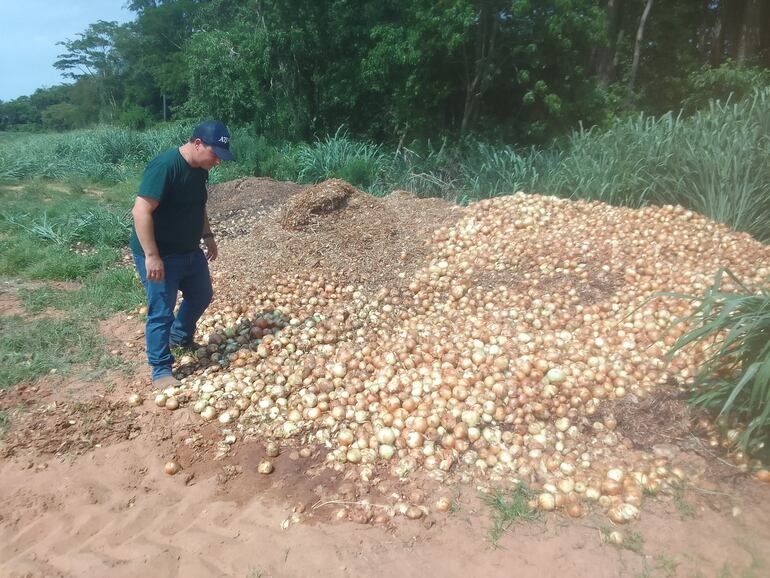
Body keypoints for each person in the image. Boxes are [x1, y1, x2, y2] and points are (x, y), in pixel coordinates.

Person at [130, 120, 235, 388]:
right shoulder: (165, 166)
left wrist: (208, 236)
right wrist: (152, 255)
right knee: (161, 310)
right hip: (161, 254)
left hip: (189, 249)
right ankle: (161, 370)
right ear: (197, 144)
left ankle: (179, 336)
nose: (217, 162)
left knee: (202, 294)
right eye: (215, 155)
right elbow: (140, 211)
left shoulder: (201, 169)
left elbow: (198, 206)